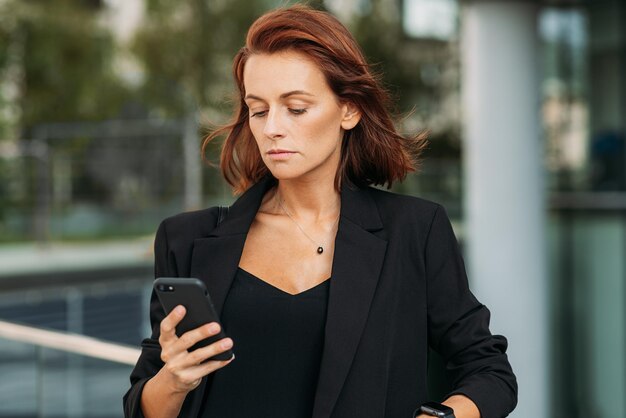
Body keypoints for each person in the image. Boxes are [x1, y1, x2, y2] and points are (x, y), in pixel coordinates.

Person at [123, 4, 517, 418]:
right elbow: (141, 407)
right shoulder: (186, 240)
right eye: (258, 110)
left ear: (349, 109)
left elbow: (490, 372)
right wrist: (175, 378)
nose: (272, 127)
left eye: (295, 108)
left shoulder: (414, 231)